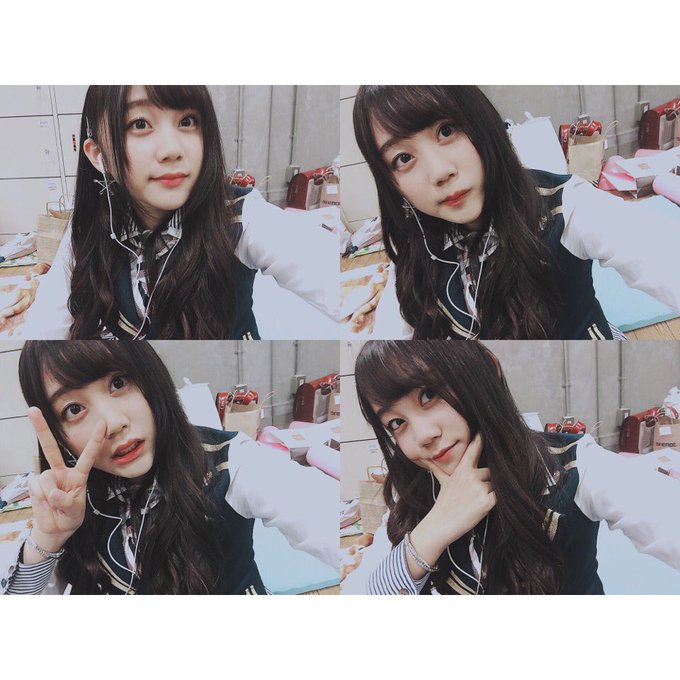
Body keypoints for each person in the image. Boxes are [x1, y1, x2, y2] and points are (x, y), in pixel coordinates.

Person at [343, 340, 680, 594]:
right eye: (397, 422)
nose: (423, 435)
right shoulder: (415, 492)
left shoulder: (574, 465)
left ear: (486, 370)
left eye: (429, 395)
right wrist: (436, 527)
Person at [1, 341, 337, 595]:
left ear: (150, 377)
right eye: (74, 409)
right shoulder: (67, 499)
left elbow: (322, 517)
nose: (114, 423)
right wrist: (48, 538)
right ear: (57, 431)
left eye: (118, 383)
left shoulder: (231, 462)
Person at [352, 85, 680, 340]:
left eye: (447, 130)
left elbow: (661, 254)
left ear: (482, 122)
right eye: (403, 158)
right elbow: (393, 338)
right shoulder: (413, 245)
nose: (440, 172)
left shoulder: (568, 206)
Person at [21, 85, 338, 340]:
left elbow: (331, 279)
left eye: (187, 121)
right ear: (98, 155)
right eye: (140, 124)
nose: (172, 149)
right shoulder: (89, 226)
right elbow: (46, 329)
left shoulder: (242, 217)